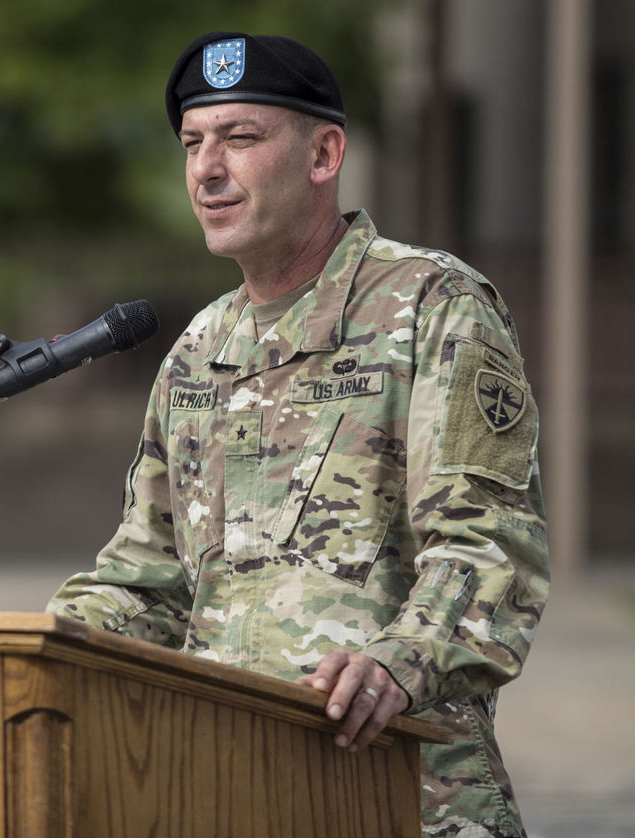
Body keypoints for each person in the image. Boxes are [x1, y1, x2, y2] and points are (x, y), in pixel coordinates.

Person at [47, 31, 549, 838]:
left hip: (403, 795)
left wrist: (395, 664)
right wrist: (35, 649)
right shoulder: (198, 351)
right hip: (224, 790)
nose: (208, 169)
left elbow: (490, 550)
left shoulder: (432, 305)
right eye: (193, 143)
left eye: (241, 138)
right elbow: (149, 581)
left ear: (324, 154)